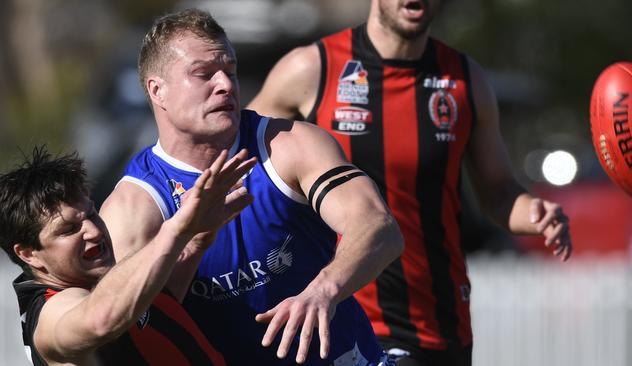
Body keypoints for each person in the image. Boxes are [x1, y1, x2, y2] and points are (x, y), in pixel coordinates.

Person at [247, 0, 573, 365]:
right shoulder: (312, 68)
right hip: (342, 315)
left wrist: (536, 212)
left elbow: (498, 192)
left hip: (439, 321)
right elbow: (245, 162)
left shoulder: (465, 79)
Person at [98, 8, 404, 366]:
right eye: (204, 74)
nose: (225, 85)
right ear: (157, 90)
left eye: (230, 71)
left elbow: (379, 227)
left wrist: (324, 291)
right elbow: (120, 330)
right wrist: (193, 239)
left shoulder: (286, 145)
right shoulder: (135, 205)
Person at [0, 146, 256, 365]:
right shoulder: (50, 314)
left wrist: (197, 239)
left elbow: (155, 304)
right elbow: (100, 319)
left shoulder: (106, 282)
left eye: (91, 215)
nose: (92, 231)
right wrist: (176, 230)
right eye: (69, 229)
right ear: (28, 254)